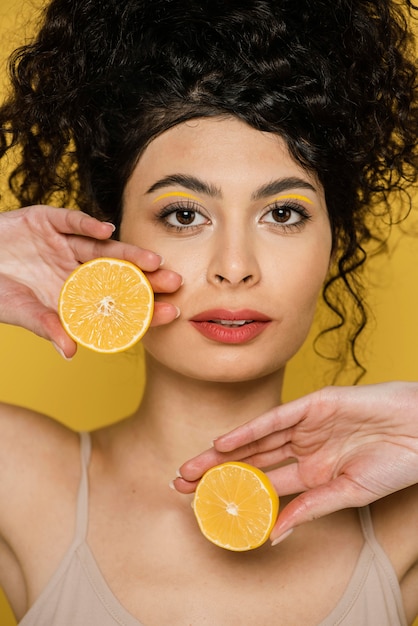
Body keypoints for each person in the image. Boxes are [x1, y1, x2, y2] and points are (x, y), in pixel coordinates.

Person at [0, 1, 417, 625]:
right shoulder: (23, 479)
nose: (234, 266)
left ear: (334, 239)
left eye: (283, 214)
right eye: (184, 215)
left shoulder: (402, 515)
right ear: (107, 237)